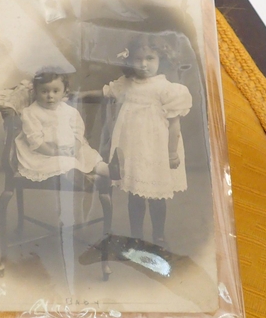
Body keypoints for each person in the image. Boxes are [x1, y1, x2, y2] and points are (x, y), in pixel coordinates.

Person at [103, 33, 192, 246]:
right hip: (132, 149)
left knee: (157, 196)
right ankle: (136, 235)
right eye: (138, 59)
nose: (143, 64)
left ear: (160, 60)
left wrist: (171, 153)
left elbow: (174, 125)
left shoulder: (166, 88)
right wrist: (71, 95)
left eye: (150, 58)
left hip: (157, 150)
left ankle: (158, 235)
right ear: (129, 60)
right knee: (135, 194)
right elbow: (105, 92)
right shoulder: (126, 84)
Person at [14, 69, 110, 182]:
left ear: (64, 92)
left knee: (88, 155)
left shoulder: (69, 111)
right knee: (66, 162)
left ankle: (107, 171)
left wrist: (76, 147)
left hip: (70, 148)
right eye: (44, 91)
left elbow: (78, 131)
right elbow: (36, 141)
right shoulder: (31, 113)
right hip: (44, 154)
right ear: (35, 92)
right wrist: (55, 152)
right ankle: (84, 179)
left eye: (55, 91)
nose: (50, 96)